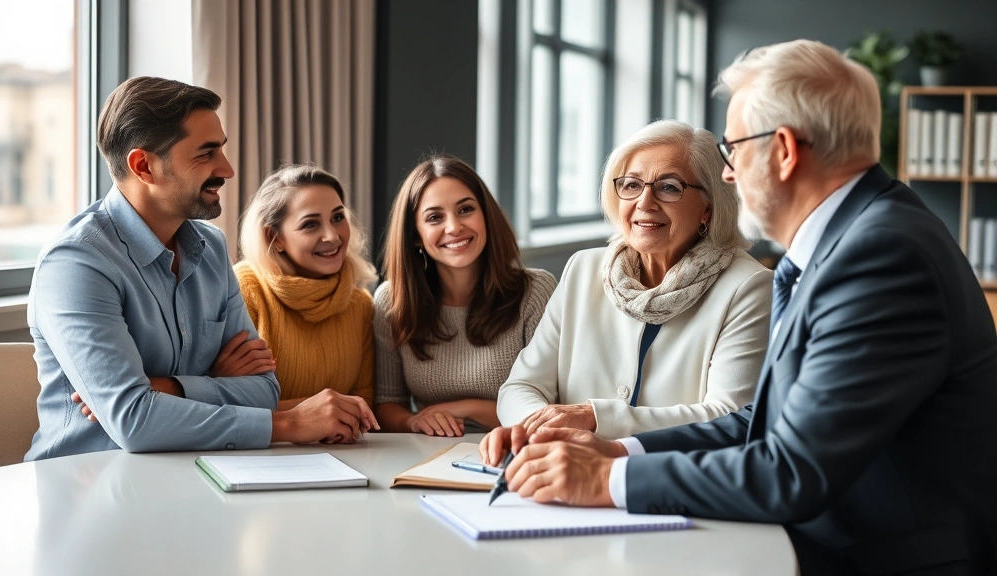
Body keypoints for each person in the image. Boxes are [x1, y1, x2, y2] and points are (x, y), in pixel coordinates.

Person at [482, 40, 997, 574]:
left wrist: (603, 480)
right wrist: (620, 453)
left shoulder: (881, 256)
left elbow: (792, 471)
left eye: (733, 150)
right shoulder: (855, 240)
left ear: (783, 150)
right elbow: (762, 422)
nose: (728, 174)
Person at [26, 76, 377, 461]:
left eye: (221, 150)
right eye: (206, 153)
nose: (226, 169)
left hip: (195, 474)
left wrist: (170, 390)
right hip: (87, 483)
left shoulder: (212, 249)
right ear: (144, 166)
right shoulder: (76, 265)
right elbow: (135, 421)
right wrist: (287, 424)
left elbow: (264, 389)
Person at [487, 119, 771, 442]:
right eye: (632, 185)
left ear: (708, 207)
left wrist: (595, 419)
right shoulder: (583, 269)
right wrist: (545, 432)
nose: (644, 203)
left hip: (665, 482)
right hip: (565, 472)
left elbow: (728, 416)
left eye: (669, 187)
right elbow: (520, 387)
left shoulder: (749, 287)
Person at [374, 155, 557, 436]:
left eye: (466, 209)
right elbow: (387, 403)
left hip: (520, 448)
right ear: (415, 236)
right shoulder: (392, 301)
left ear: (486, 215)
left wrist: (466, 408)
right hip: (426, 451)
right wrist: (412, 422)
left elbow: (549, 408)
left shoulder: (535, 292)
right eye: (435, 217)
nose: (454, 227)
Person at [235, 164, 377, 422]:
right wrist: (311, 414)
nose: (332, 236)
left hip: (341, 454)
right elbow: (226, 402)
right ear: (274, 237)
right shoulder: (246, 290)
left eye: (337, 217)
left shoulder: (360, 305)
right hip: (257, 454)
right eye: (311, 224)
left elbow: (364, 400)